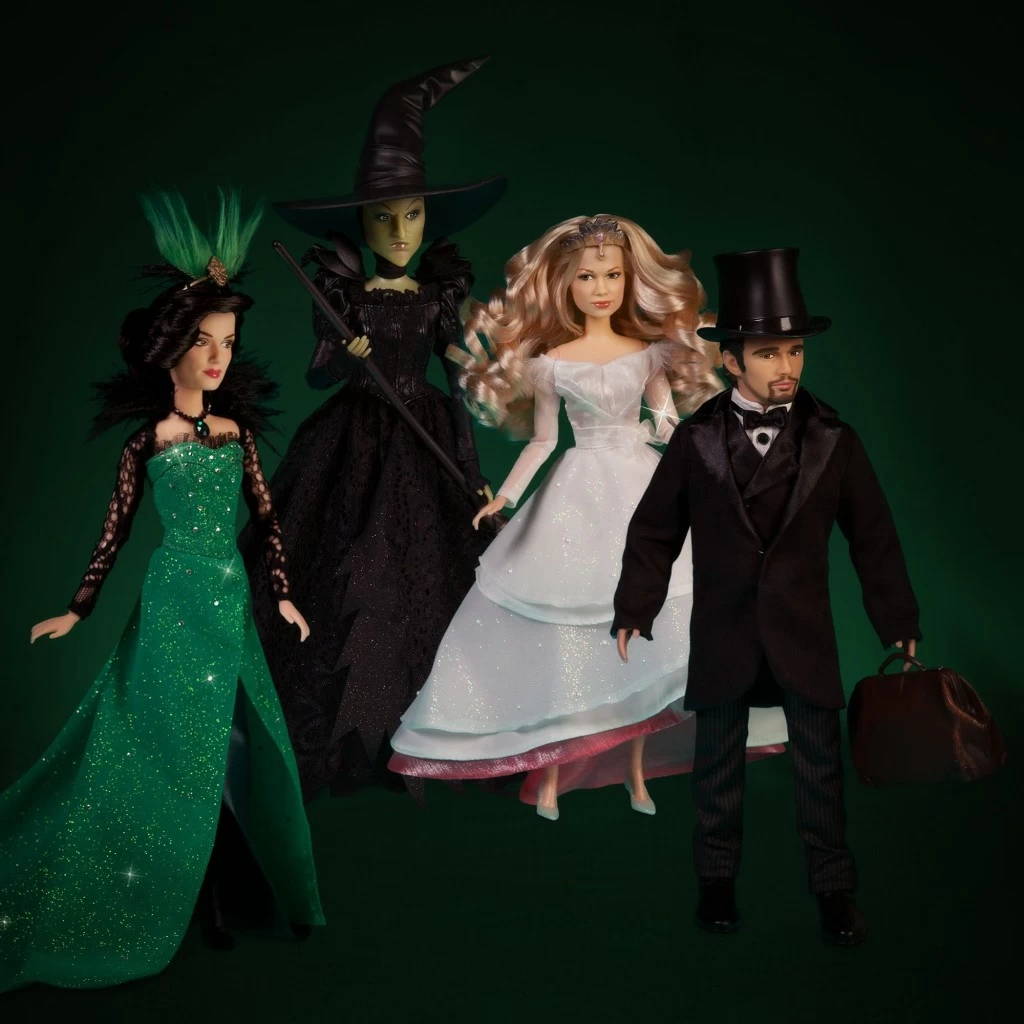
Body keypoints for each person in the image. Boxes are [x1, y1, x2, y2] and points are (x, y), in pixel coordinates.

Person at [0, 191, 324, 992]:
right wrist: (77, 609)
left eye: (228, 343)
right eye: (203, 341)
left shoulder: (237, 436)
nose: (217, 357)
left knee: (237, 744)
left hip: (228, 598)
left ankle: (235, 880)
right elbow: (112, 534)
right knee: (175, 747)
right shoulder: (149, 443)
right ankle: (194, 894)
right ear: (170, 347)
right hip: (174, 598)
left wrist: (283, 594)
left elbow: (268, 519)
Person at [389, 217, 788, 819]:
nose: (601, 288)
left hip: (640, 483)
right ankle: (550, 772)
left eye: (612, 276)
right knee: (567, 630)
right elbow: (544, 441)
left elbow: (669, 425)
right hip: (576, 492)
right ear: (566, 285)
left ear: (629, 281)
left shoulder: (649, 355)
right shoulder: (550, 363)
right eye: (587, 277)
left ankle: (636, 774)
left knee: (651, 634)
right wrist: (506, 498)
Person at [612, 247, 921, 946]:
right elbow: (655, 529)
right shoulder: (696, 440)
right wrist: (635, 606)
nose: (786, 366)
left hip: (803, 634)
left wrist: (897, 618)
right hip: (724, 632)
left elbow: (873, 535)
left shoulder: (833, 439)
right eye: (768, 353)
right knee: (716, 774)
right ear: (731, 361)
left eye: (795, 351)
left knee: (821, 775)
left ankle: (835, 890)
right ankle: (715, 884)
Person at [241, 58, 506, 798]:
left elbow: (457, 389)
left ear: (428, 219)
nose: (399, 231)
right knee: (341, 571)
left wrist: (472, 470)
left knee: (431, 579)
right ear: (360, 222)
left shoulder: (437, 294)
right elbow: (317, 374)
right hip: (351, 442)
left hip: (423, 437)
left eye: (412, 215)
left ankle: (432, 739)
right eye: (384, 218)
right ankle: (340, 741)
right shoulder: (343, 296)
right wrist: (346, 356)